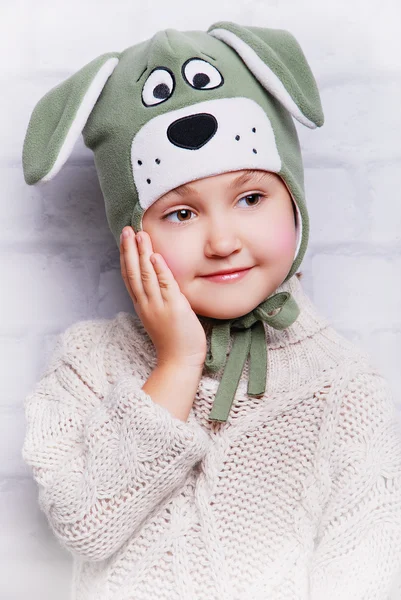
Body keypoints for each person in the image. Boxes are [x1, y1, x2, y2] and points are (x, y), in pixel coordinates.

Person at [21, 22, 401, 600]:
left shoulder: (347, 391)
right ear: (131, 234)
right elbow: (86, 525)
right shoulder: (88, 365)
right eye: (180, 213)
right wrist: (176, 364)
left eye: (251, 198)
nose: (222, 241)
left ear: (294, 199)